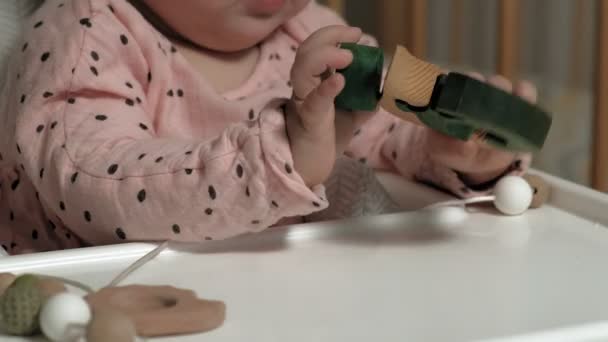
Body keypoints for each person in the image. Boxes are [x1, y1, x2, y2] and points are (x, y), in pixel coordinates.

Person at [0, 0, 536, 254]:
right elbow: (92, 186)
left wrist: (444, 151)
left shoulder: (308, 30)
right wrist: (288, 149)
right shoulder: (84, 29)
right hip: (102, 291)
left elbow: (376, 143)